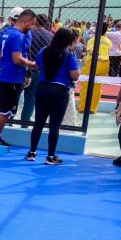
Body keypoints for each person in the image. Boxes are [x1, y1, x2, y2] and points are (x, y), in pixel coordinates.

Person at [26, 28, 80, 165]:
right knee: (54, 125)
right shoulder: (69, 54)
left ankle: (32, 152)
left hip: (43, 88)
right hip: (60, 90)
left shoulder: (44, 50)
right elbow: (74, 74)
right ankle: (50, 156)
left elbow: (37, 66)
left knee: (38, 122)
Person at [0, 9, 38, 147]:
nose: (32, 27)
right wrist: (33, 65)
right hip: (12, 78)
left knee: (4, 109)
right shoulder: (18, 36)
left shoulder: (6, 32)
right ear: (26, 21)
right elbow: (17, 59)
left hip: (6, 75)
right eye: (32, 24)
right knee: (4, 110)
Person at [22, 14, 54, 125]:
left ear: (35, 22)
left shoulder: (28, 34)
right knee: (31, 98)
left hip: (25, 67)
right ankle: (25, 121)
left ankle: (11, 119)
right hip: (41, 70)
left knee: (15, 95)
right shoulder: (51, 36)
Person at [78, 23, 112, 114]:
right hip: (105, 63)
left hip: (92, 62)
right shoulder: (108, 41)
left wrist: (97, 56)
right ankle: (92, 108)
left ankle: (83, 107)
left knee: (86, 84)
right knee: (97, 86)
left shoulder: (93, 39)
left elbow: (90, 50)